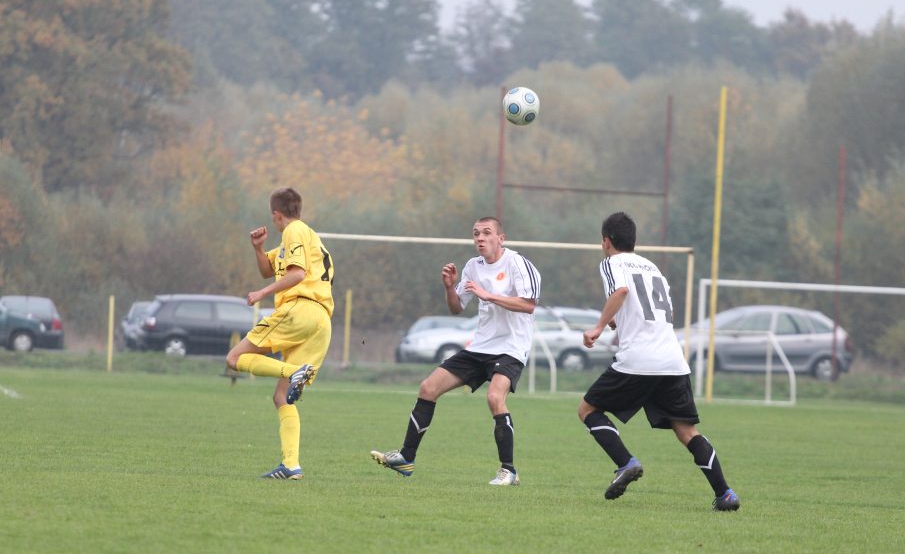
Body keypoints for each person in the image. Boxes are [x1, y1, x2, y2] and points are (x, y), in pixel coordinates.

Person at [577, 211, 740, 509]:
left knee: (587, 409)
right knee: (687, 431)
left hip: (639, 359)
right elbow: (664, 314)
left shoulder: (611, 262)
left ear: (606, 241)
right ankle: (725, 494)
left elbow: (622, 290)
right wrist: (619, 320)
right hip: (672, 359)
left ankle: (626, 463)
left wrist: (599, 326)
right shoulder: (653, 267)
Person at [370, 216, 541, 485]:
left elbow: (529, 305)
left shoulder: (517, 263)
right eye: (476, 234)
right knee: (428, 388)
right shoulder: (473, 266)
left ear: (501, 238)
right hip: (480, 347)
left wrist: (489, 295)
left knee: (495, 398)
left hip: (511, 347)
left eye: (486, 233)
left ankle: (509, 470)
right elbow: (456, 308)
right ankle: (406, 458)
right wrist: (449, 287)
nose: (480, 238)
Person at [225, 187, 334, 480]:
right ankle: (291, 465)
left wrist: (261, 293)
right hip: (321, 320)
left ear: (276, 215)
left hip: (300, 309)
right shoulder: (305, 236)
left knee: (235, 358)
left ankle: (294, 370)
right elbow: (269, 269)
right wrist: (258, 249)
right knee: (282, 397)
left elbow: (296, 274)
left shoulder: (294, 231)